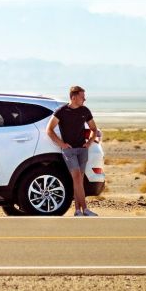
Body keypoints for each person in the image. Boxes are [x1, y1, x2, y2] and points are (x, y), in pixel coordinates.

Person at [46, 85, 100, 216]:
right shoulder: (61, 111)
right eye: (82, 97)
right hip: (69, 151)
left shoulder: (85, 111)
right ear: (74, 97)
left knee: (79, 180)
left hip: (82, 150)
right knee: (76, 177)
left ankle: (77, 210)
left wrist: (89, 142)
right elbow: (49, 130)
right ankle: (85, 209)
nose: (84, 99)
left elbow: (94, 129)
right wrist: (62, 144)